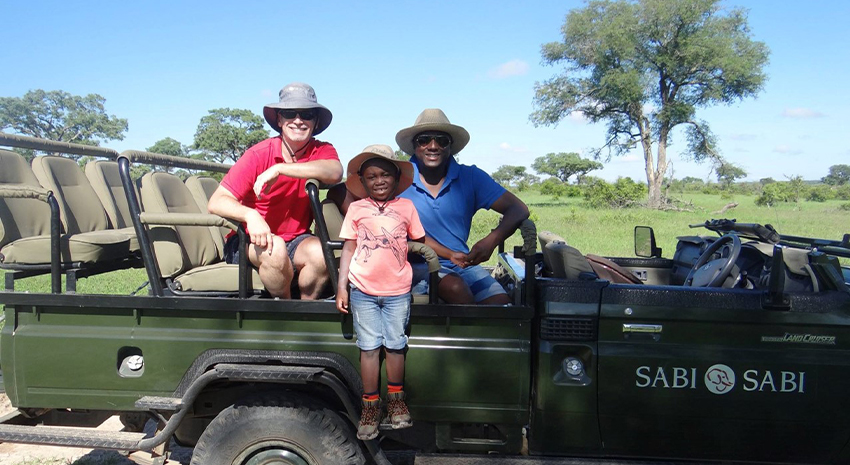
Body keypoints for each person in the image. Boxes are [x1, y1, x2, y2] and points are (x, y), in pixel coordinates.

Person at [208, 82, 343, 299]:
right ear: (279, 120)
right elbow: (217, 201)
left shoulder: (322, 150)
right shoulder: (258, 154)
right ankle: (287, 313)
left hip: (297, 239)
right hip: (247, 240)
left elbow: (335, 172)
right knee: (276, 249)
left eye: (307, 114)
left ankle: (307, 311)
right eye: (290, 113)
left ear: (315, 121)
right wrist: (250, 216)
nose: (298, 120)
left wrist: (281, 169)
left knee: (320, 254)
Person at [335, 144, 424, 440]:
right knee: (369, 347)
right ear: (363, 181)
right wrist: (342, 285)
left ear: (397, 178)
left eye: (385, 175)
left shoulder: (407, 208)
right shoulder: (357, 209)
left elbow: (419, 242)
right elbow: (349, 247)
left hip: (398, 290)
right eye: (372, 176)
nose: (379, 181)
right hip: (363, 289)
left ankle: (396, 401)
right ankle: (370, 405)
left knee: (396, 344)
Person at [396, 109, 530, 305]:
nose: (433, 146)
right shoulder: (398, 179)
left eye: (441, 140)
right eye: (424, 140)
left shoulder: (471, 177)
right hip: (414, 263)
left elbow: (518, 209)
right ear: (414, 146)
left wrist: (490, 241)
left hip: (462, 263)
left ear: (451, 146)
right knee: (456, 289)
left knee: (500, 305)